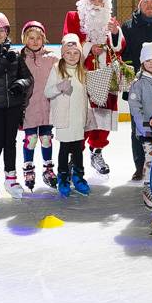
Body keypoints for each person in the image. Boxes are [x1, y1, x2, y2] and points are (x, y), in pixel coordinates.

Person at [63, 0, 125, 177]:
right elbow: (68, 41)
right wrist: (89, 47)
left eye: (101, 1)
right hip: (82, 75)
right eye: (93, 0)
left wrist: (115, 33)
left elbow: (120, 48)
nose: (97, 4)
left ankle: (97, 152)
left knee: (103, 117)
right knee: (82, 118)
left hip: (106, 76)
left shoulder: (110, 21)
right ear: (85, 1)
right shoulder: (73, 17)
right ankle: (76, 156)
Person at [0, 12, 33, 202]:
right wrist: (2, 61)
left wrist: (21, 85)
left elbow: (28, 78)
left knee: (10, 143)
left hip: (13, 106)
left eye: (1, 30)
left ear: (7, 31)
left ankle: (11, 178)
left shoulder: (15, 53)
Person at [120, 0, 152, 179]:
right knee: (138, 126)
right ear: (140, 5)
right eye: (145, 2)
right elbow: (121, 53)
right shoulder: (128, 26)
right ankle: (140, 165)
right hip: (137, 83)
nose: (149, 5)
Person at [44, 34, 90, 197]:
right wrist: (59, 88)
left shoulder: (82, 70)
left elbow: (85, 95)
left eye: (76, 52)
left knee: (78, 149)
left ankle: (78, 177)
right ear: (63, 54)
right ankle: (63, 178)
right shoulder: (57, 69)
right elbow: (47, 92)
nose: (72, 56)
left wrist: (87, 114)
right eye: (68, 53)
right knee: (64, 149)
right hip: (63, 118)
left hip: (78, 118)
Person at [19, 21, 58, 191]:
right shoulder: (19, 58)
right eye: (31, 38)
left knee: (46, 138)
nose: (35, 41)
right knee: (31, 139)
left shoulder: (52, 59)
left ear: (43, 39)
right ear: (24, 39)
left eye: (38, 38)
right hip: (29, 107)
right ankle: (28, 169)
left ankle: (48, 169)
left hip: (47, 106)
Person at [128, 42, 152, 207]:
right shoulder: (139, 83)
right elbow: (135, 107)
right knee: (150, 158)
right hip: (148, 131)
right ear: (142, 61)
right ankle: (148, 185)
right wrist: (144, 126)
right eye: (147, 60)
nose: (151, 63)